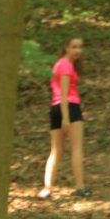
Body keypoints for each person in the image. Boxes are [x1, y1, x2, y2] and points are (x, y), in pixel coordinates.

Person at [40, 38, 91, 200]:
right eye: (74, 47)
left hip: (56, 108)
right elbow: (64, 94)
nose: (78, 50)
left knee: (56, 150)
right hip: (69, 107)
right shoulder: (66, 65)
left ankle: (47, 188)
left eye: (80, 47)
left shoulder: (59, 64)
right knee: (76, 148)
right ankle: (80, 187)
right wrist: (66, 119)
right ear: (66, 48)